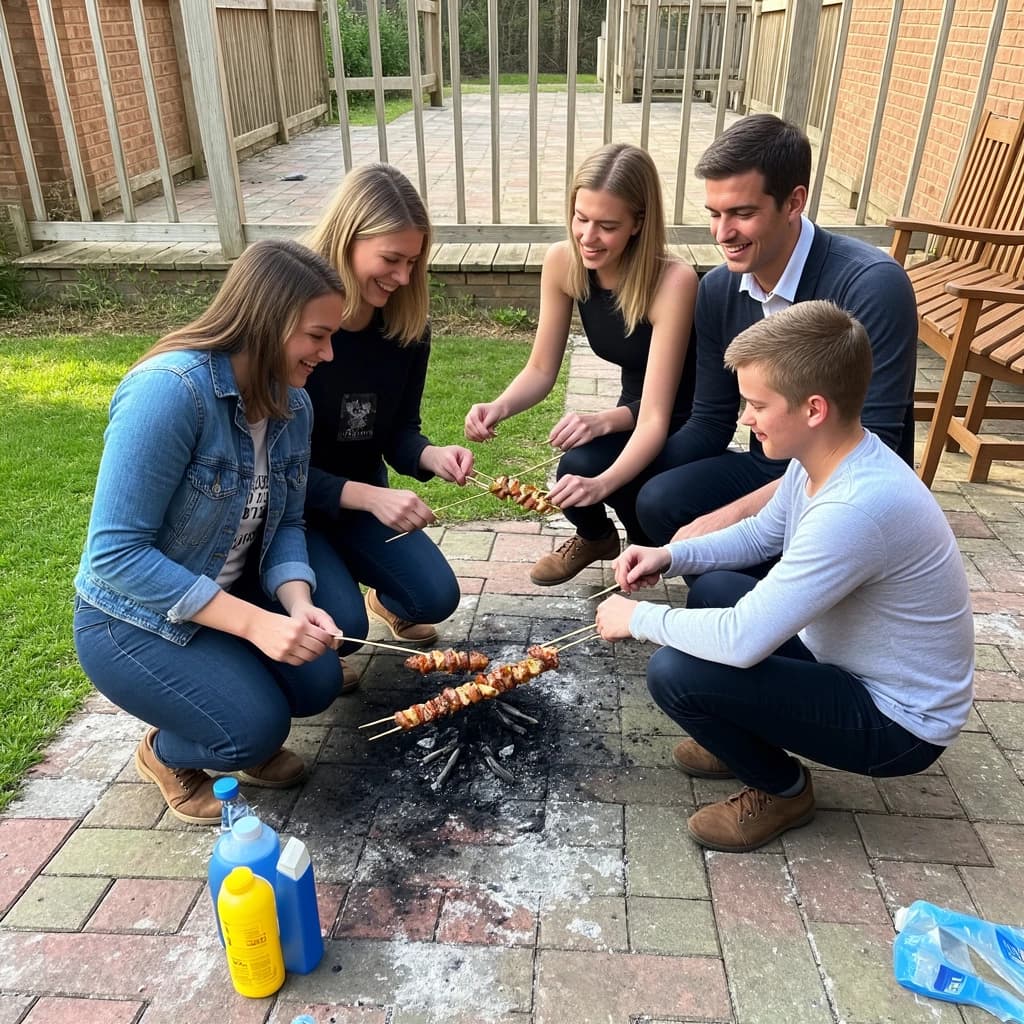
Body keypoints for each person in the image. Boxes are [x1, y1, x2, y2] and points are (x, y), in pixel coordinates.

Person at [595, 301, 974, 853]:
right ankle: (739, 735)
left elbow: (744, 640)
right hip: (848, 663)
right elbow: (759, 537)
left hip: (900, 722)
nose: (746, 419)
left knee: (675, 672)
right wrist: (668, 557)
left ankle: (783, 789)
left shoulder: (856, 509)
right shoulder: (824, 459)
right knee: (718, 589)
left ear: (814, 408)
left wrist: (639, 618)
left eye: (756, 405)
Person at [73, 239, 347, 825]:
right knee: (252, 730)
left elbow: (288, 523)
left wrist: (296, 604)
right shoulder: (170, 392)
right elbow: (115, 556)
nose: (327, 355)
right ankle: (167, 752)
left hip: (222, 599)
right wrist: (256, 623)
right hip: (130, 619)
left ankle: (230, 712)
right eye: (316, 336)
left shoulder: (293, 405)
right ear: (268, 324)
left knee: (318, 680)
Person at [635, 114, 919, 555]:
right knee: (655, 500)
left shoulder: (872, 285)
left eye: (742, 214)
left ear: (793, 202)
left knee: (717, 580)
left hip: (853, 495)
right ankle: (744, 598)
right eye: (714, 213)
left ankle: (756, 604)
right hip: (770, 465)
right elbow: (710, 421)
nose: (722, 233)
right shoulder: (718, 289)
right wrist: (617, 473)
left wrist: (733, 517)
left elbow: (875, 442)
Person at [465, 143, 698, 586]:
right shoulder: (563, 262)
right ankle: (596, 539)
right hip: (639, 413)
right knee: (573, 468)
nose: (588, 237)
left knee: (636, 501)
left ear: (638, 224)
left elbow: (658, 417)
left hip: (687, 422)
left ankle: (652, 550)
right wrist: (499, 406)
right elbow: (539, 370)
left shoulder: (673, 280)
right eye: (581, 218)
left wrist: (604, 475)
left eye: (607, 225)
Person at [303, 164, 472, 681]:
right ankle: (323, 607)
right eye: (390, 259)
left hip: (360, 504)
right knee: (341, 630)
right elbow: (266, 468)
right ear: (347, 239)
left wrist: (430, 455)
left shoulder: (406, 327)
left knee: (435, 597)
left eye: (412, 262)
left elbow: (398, 429)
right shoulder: (296, 322)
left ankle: (380, 596)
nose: (402, 277)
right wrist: (371, 496)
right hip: (290, 510)